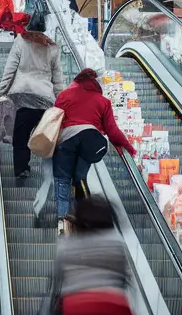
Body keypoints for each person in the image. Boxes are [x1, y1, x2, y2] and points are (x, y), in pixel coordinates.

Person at [50, 68, 136, 234]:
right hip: (91, 141)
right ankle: (87, 217)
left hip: (66, 140)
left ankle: (62, 217)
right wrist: (128, 148)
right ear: (95, 85)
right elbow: (113, 132)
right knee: (79, 177)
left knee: (62, 178)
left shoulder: (64, 96)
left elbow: (55, 121)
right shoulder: (102, 101)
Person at [0, 15, 65, 179]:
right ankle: (53, 172)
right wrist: (61, 99)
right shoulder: (52, 47)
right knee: (48, 135)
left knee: (20, 137)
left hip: (24, 98)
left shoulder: (21, 41)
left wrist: (2, 91)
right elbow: (58, 77)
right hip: (45, 99)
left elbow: (10, 68)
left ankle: (22, 169)